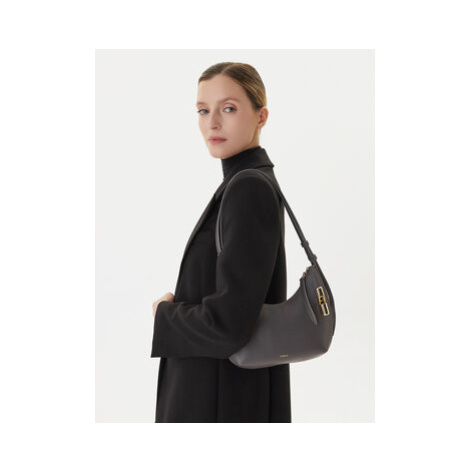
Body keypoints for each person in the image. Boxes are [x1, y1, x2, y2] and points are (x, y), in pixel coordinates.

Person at [150, 62, 291, 423]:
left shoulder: (248, 188)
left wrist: (166, 315)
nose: (212, 123)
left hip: (219, 399)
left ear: (261, 116)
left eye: (228, 109)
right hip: (224, 392)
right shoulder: (244, 183)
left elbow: (229, 324)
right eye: (203, 110)